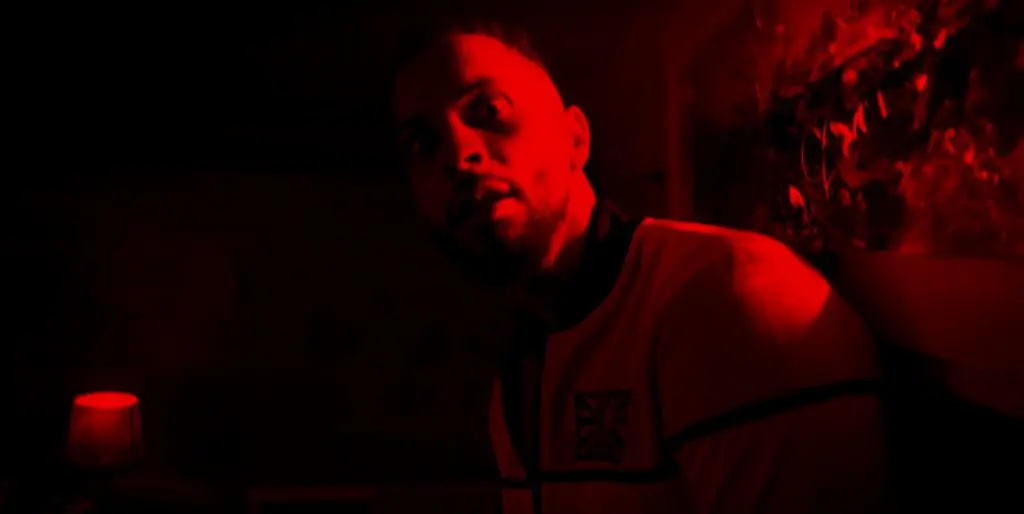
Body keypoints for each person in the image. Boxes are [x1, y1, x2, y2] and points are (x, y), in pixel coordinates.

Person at [391, 18, 887, 514]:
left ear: (575, 139)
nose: (456, 155)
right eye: (422, 144)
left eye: (489, 110)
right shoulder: (520, 376)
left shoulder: (729, 298)